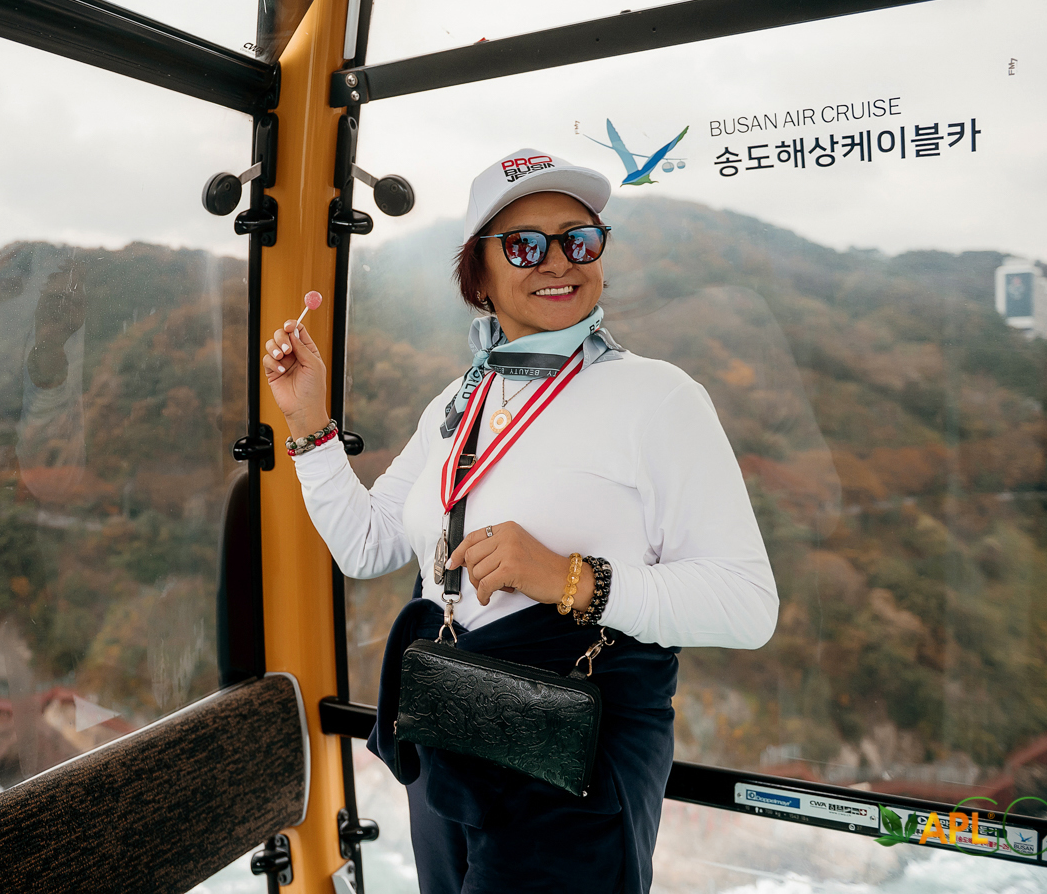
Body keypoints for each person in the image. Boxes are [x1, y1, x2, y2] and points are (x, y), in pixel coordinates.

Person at [264, 149, 779, 894]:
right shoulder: (460, 399)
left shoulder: (658, 397)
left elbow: (747, 604)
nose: (558, 260)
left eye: (580, 240)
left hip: (577, 746)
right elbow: (367, 545)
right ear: (478, 274)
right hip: (452, 722)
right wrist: (308, 423)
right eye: (525, 245)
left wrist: (571, 579)